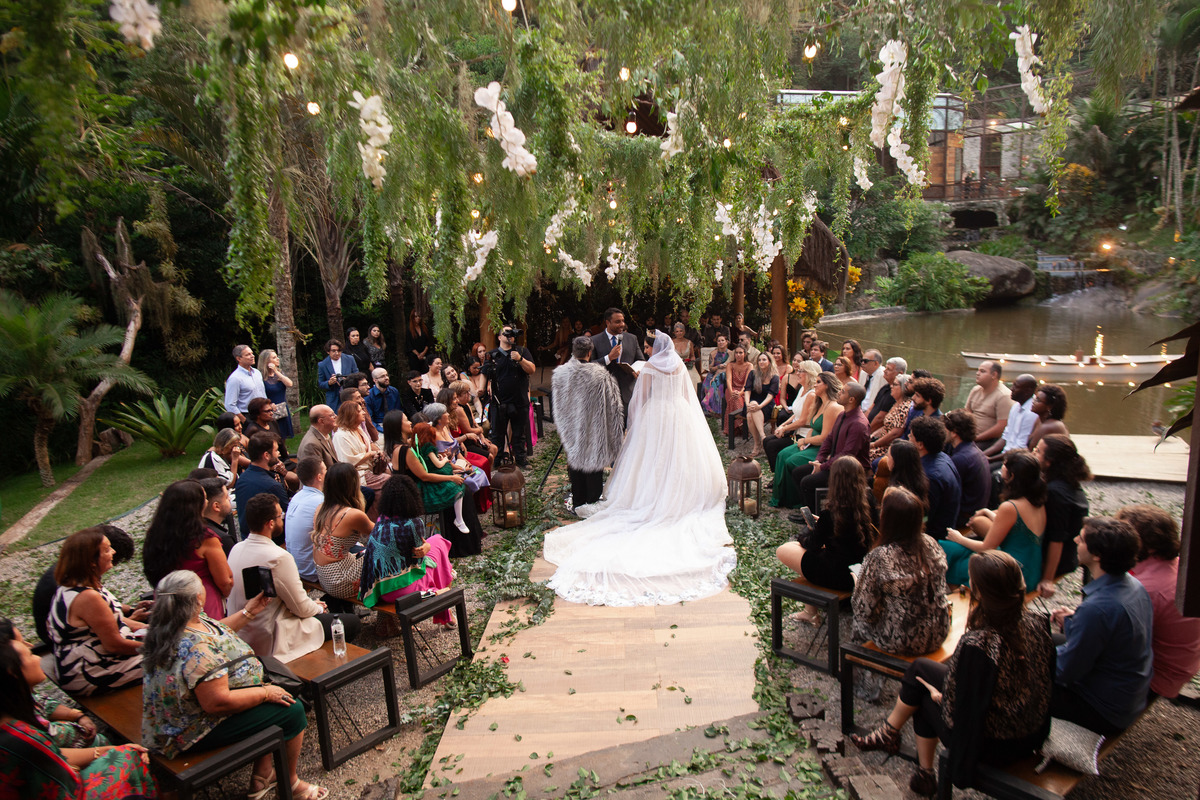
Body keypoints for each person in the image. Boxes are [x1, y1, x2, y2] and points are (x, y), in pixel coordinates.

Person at [542, 333, 735, 606]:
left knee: (651, 459)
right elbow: (685, 396)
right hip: (680, 415)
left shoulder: (651, 368)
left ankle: (651, 494)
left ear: (654, 348)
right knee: (677, 458)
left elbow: (638, 401)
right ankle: (679, 493)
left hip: (656, 416)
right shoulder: (679, 366)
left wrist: (634, 425)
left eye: (647, 346)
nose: (645, 350)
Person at [851, 550, 1053, 797]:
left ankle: (918, 764)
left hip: (996, 745)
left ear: (980, 592)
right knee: (920, 670)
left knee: (921, 694)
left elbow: (960, 713)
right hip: (1031, 734)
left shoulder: (980, 645)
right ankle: (899, 743)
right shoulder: (1036, 624)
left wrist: (940, 696)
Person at [139, 571, 326, 800]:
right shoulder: (196, 649)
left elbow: (217, 631)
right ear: (199, 598)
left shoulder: (174, 622)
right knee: (292, 709)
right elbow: (217, 702)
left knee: (272, 695)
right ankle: (291, 783)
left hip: (178, 719)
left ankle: (263, 774)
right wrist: (264, 693)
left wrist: (249, 612)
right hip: (191, 730)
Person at [1, 619, 156, 800]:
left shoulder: (12, 709)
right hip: (72, 789)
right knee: (128, 756)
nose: (37, 656)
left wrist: (79, 717)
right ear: (12, 671)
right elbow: (65, 787)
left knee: (122, 752)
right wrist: (106, 752)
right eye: (29, 654)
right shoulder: (22, 737)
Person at [227, 495, 361, 662]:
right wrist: (317, 608)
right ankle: (318, 666)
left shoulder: (236, 549)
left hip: (243, 629)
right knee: (352, 623)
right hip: (271, 634)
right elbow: (301, 608)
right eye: (279, 516)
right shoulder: (278, 557)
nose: (282, 518)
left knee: (326, 606)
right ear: (270, 523)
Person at [1051, 517, 1153, 736]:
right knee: (1046, 641)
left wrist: (1026, 659)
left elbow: (1065, 670)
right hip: (1127, 693)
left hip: (1102, 710)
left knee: (1019, 681)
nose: (1076, 539)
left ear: (1097, 555)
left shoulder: (1098, 609)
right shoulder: (1134, 586)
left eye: (1082, 539)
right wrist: (1075, 619)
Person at [852, 486, 950, 655]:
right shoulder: (931, 543)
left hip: (903, 639)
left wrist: (857, 581)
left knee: (859, 623)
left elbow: (863, 610)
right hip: (939, 630)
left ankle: (859, 674)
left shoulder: (880, 557)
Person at [47, 528, 145, 695]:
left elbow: (115, 620)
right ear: (91, 562)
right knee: (178, 659)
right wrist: (159, 647)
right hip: (92, 669)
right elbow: (114, 645)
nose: (114, 551)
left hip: (95, 657)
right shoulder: (87, 597)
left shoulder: (77, 584)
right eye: (107, 549)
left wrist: (156, 629)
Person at [1118, 505, 1200, 698]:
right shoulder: (1177, 564)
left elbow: (1113, 643)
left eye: (1126, 535)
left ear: (1150, 546)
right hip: (1181, 665)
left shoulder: (1145, 589)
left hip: (1155, 676)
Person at [360, 475, 456, 625]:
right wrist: (428, 547)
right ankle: (445, 605)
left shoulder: (381, 520)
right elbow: (418, 561)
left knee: (436, 549)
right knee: (439, 543)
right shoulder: (413, 523)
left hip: (381, 591)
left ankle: (445, 604)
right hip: (404, 591)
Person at [943, 450, 1046, 589]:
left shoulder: (1010, 507)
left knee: (949, 550)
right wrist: (986, 511)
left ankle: (970, 602)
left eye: (1004, 464)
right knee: (956, 551)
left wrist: (959, 538)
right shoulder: (1037, 502)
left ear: (1012, 475)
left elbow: (987, 547)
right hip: (1031, 569)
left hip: (1012, 572)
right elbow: (1013, 526)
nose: (1002, 466)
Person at [776, 457, 873, 603]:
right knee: (809, 554)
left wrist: (805, 535)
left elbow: (812, 544)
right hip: (859, 569)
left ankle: (811, 609)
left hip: (837, 574)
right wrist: (822, 525)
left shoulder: (832, 513)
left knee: (785, 549)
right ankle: (810, 610)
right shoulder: (869, 505)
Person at [551, 337, 625, 513]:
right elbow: (614, 407)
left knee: (576, 463)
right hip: (595, 428)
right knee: (594, 462)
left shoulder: (560, 374)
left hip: (572, 427)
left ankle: (578, 502)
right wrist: (615, 435)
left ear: (573, 351)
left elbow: (557, 405)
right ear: (590, 352)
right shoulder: (601, 375)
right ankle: (591, 505)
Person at [32, 527, 139, 646]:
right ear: (93, 558)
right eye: (107, 549)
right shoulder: (79, 589)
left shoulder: (78, 571)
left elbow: (104, 605)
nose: (112, 553)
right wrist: (134, 622)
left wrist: (130, 610)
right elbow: (111, 638)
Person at [144, 479, 233, 620]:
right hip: (200, 603)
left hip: (166, 602)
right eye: (204, 498)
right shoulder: (204, 538)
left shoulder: (156, 534)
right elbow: (225, 581)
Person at [790, 381, 870, 513]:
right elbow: (829, 439)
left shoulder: (858, 424)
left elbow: (847, 455)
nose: (839, 392)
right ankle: (807, 511)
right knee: (798, 472)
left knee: (807, 482)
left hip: (849, 471)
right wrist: (820, 459)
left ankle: (816, 518)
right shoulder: (842, 415)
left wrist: (823, 467)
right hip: (834, 463)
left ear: (851, 399)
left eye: (843, 391)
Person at [770, 373, 843, 509]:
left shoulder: (833, 407)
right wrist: (806, 441)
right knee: (782, 454)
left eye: (818, 382)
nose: (815, 385)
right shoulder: (819, 403)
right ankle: (781, 497)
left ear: (827, 385)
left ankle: (796, 500)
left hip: (822, 448)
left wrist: (804, 441)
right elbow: (813, 427)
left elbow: (824, 438)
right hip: (811, 443)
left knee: (791, 461)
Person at [1035, 434, 1090, 595]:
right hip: (1068, 553)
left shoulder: (1056, 492)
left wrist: (1047, 579)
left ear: (1049, 461)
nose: (1033, 453)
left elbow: (1057, 538)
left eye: (1038, 451)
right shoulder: (1066, 481)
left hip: (1061, 559)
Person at [311, 463, 373, 603]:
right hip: (340, 580)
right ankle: (391, 614)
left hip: (324, 575)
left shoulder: (321, 508)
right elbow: (382, 532)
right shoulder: (351, 514)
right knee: (386, 555)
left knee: (371, 552)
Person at [485, 324, 537, 464]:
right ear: (499, 337)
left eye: (511, 333)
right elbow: (486, 375)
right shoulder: (492, 354)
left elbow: (532, 369)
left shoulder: (522, 351)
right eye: (506, 333)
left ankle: (521, 460)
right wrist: (487, 386)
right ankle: (497, 460)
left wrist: (520, 359)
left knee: (519, 434)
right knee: (497, 435)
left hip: (519, 400)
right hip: (499, 401)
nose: (510, 336)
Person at [909, 416, 961, 539]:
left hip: (935, 535)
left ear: (920, 444)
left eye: (911, 437)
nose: (908, 439)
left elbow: (925, 517)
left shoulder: (930, 476)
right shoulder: (943, 457)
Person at [764, 360, 821, 467]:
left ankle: (779, 474)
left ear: (810, 373)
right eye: (797, 370)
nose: (797, 373)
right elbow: (796, 413)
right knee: (767, 441)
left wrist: (785, 429)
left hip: (803, 434)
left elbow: (803, 420)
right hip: (795, 429)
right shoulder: (802, 389)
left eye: (801, 371)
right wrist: (782, 425)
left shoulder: (811, 395)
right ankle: (777, 472)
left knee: (772, 445)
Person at [590, 308, 645, 417]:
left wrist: (638, 370)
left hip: (627, 393)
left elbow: (641, 361)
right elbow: (589, 366)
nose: (622, 324)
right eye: (617, 322)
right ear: (607, 322)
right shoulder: (594, 340)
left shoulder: (632, 339)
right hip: (605, 394)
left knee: (628, 429)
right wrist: (608, 358)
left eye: (623, 321)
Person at [235, 433, 291, 539]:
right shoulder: (272, 486)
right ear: (266, 455)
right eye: (276, 450)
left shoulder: (242, 479)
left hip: (247, 537)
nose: (278, 454)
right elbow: (290, 516)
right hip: (273, 541)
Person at [943, 409, 991, 529]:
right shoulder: (973, 450)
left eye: (945, 428)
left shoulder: (960, 459)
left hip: (965, 517)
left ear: (954, 433)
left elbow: (948, 495)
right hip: (974, 509)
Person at [331, 400, 388, 493]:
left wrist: (377, 455)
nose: (364, 412)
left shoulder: (358, 429)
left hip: (369, 469)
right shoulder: (340, 436)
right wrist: (370, 454)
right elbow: (347, 462)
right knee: (389, 481)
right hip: (356, 475)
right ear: (352, 414)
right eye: (360, 410)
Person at [284, 458, 325, 584]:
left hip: (296, 566)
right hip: (312, 570)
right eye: (325, 470)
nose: (327, 473)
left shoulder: (298, 496)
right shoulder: (320, 501)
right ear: (319, 477)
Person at [983, 373, 1039, 462]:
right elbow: (1005, 437)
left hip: (1015, 460)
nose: (1012, 389)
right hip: (1005, 454)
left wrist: (991, 459)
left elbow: (1020, 449)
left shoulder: (1031, 413)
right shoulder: (1016, 406)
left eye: (1016, 387)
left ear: (1027, 391)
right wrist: (983, 455)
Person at [963, 360, 1013, 449]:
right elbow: (966, 413)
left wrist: (976, 438)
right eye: (978, 370)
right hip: (969, 435)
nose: (977, 373)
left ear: (994, 375)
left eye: (982, 371)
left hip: (989, 440)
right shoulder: (976, 390)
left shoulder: (1003, 396)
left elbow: (1001, 427)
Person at [868, 372, 913, 463]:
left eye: (895, 384)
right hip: (880, 442)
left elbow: (895, 434)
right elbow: (886, 426)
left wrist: (873, 444)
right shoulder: (896, 404)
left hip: (888, 447)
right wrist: (872, 435)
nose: (891, 386)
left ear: (903, 388)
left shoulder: (905, 407)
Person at [743, 352, 779, 459]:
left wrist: (759, 406)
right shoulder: (753, 373)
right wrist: (747, 404)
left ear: (769, 361)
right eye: (759, 360)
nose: (761, 362)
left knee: (751, 413)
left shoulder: (774, 377)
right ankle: (763, 439)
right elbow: (747, 390)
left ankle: (758, 443)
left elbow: (771, 395)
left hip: (766, 404)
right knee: (750, 412)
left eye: (764, 360)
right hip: (751, 403)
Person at [257, 348, 294, 439]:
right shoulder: (260, 377)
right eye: (274, 357)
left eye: (277, 357)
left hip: (282, 409)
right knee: (273, 436)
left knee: (283, 436)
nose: (277, 359)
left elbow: (290, 384)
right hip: (270, 409)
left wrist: (276, 371)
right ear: (266, 361)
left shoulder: (279, 373)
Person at [883, 439, 928, 508]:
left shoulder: (894, 493)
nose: (886, 459)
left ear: (896, 462)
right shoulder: (922, 482)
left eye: (888, 456)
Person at [317, 339, 359, 412]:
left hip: (349, 394)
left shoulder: (349, 359)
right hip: (333, 397)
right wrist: (329, 383)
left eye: (339, 350)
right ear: (328, 352)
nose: (336, 353)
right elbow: (320, 383)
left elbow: (357, 375)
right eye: (333, 351)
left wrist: (347, 379)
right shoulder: (322, 365)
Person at [224, 344, 267, 414]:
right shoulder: (235, 378)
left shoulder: (257, 373)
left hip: (263, 413)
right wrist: (244, 420)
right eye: (248, 354)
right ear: (239, 358)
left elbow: (262, 394)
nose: (252, 356)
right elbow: (229, 404)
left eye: (252, 353)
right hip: (247, 415)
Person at [1026, 384, 1069, 450]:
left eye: (1038, 400)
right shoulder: (1039, 420)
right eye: (1034, 398)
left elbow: (1032, 452)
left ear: (1049, 406)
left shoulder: (1048, 427)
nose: (1033, 402)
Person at [868, 356, 907, 427]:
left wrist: (867, 432)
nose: (884, 371)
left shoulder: (896, 394)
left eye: (888, 369)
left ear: (899, 373)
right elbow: (870, 408)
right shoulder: (885, 387)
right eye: (885, 368)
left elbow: (880, 418)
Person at [297, 405, 338, 469]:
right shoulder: (311, 444)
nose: (336, 416)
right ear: (321, 421)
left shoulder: (324, 434)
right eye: (332, 415)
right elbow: (318, 475)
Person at [724, 345, 752, 438]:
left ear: (745, 354)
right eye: (736, 353)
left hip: (744, 390)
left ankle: (735, 428)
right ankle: (741, 425)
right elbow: (728, 380)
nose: (738, 355)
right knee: (734, 398)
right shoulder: (730, 365)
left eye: (741, 353)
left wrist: (740, 393)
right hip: (731, 389)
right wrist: (732, 392)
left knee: (736, 399)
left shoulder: (749, 365)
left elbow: (747, 383)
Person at [366, 367, 402, 432]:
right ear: (375, 380)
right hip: (379, 425)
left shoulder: (394, 391)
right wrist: (382, 430)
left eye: (387, 375)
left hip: (394, 423)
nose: (386, 378)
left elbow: (398, 411)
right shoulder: (369, 396)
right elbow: (370, 420)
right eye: (382, 376)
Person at [672, 322, 700, 390]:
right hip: (676, 366)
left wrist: (692, 362)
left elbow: (692, 355)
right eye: (677, 331)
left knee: (695, 378)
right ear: (674, 333)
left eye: (681, 331)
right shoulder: (671, 343)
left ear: (684, 332)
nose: (679, 333)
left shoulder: (689, 342)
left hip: (688, 366)